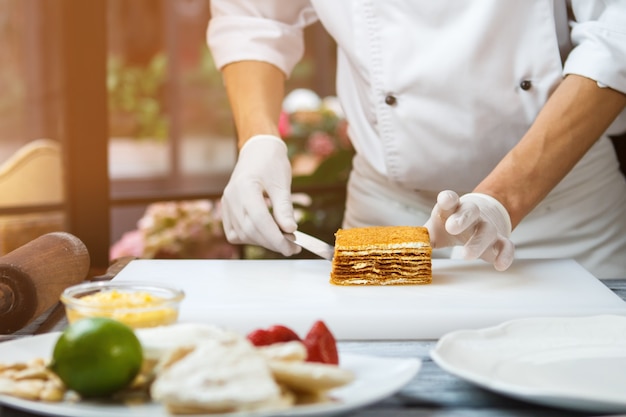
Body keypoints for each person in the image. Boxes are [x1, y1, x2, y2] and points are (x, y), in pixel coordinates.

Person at [207, 1, 626, 279]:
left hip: (561, 217)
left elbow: (616, 33)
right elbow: (255, 17)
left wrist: (505, 197)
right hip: (386, 212)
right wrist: (259, 140)